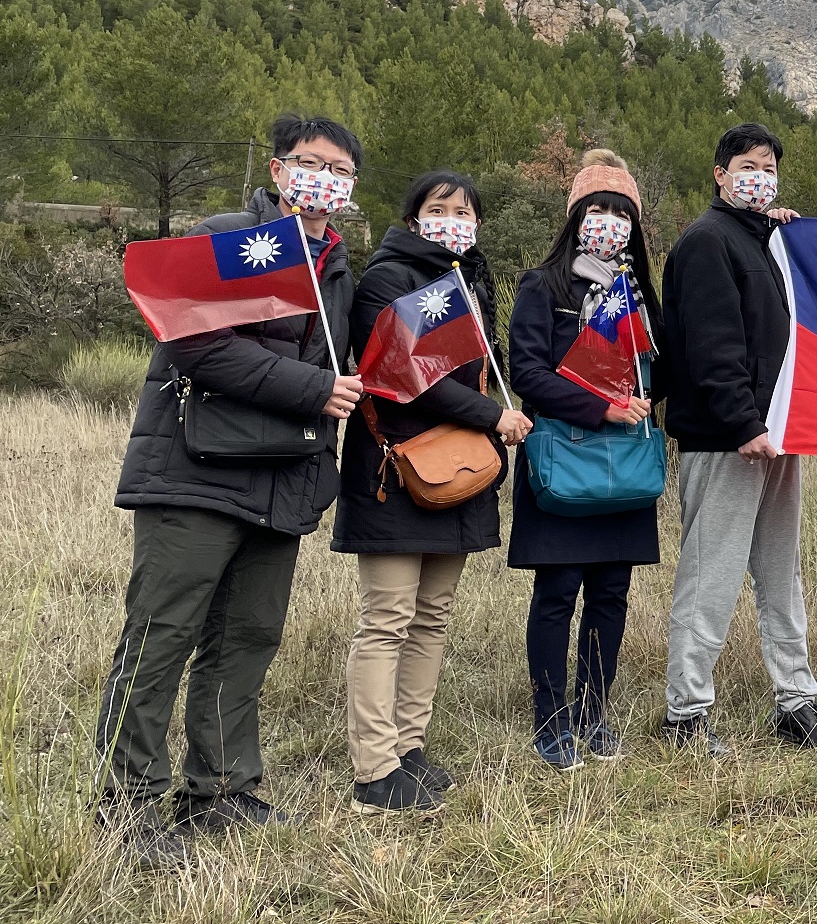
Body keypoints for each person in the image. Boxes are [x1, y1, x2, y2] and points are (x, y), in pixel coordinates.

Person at [96, 115, 365, 863]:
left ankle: (220, 789)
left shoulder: (338, 265)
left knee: (245, 638)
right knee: (161, 637)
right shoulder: (229, 237)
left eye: (340, 171)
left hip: (281, 481)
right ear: (278, 170)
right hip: (195, 471)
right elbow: (194, 341)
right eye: (310, 163)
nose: (324, 179)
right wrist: (314, 389)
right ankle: (127, 808)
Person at [334, 172, 532, 815]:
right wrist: (490, 416)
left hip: (460, 470)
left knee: (432, 617)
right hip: (397, 472)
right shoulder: (387, 280)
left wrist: (489, 410)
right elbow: (404, 373)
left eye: (465, 210)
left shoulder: (472, 282)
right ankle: (373, 764)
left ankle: (408, 749)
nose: (454, 219)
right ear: (415, 216)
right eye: (439, 208)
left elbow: (477, 366)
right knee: (387, 617)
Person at [659, 122, 817, 754]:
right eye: (747, 166)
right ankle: (687, 711)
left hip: (779, 435)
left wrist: (785, 233)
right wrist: (743, 424)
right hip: (727, 437)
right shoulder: (707, 242)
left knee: (780, 572)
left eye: (768, 168)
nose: (758, 177)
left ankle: (795, 698)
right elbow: (712, 347)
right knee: (712, 574)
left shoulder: (763, 240)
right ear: (720, 173)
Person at [507, 150, 662, 772]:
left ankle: (594, 712)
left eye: (620, 212)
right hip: (564, 462)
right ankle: (550, 719)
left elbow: (661, 364)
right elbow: (527, 374)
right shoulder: (542, 287)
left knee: (611, 592)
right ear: (575, 216)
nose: (608, 221)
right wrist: (601, 408)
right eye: (596, 208)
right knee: (557, 592)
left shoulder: (638, 295)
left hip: (624, 466)